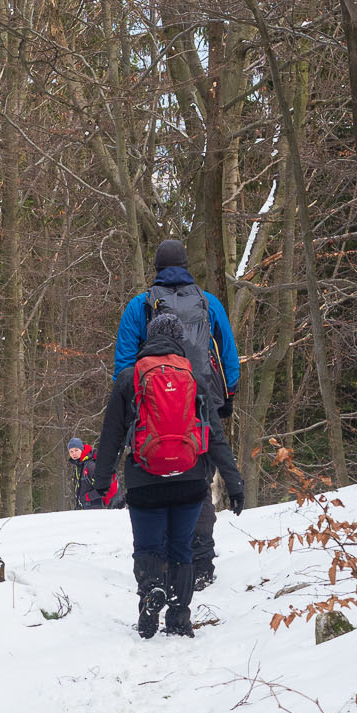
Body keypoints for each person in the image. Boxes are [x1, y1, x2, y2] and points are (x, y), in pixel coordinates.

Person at [93, 313, 244, 638]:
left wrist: (101, 481)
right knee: (181, 548)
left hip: (145, 481)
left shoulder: (130, 378)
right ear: (180, 340)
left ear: (149, 339)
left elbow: (111, 437)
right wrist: (234, 482)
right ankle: (179, 616)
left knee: (147, 547)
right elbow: (215, 437)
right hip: (190, 480)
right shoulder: (196, 378)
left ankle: (151, 591)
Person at [113, 237, 240, 588]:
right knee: (196, 482)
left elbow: (124, 363)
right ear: (186, 266)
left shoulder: (139, 306)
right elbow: (227, 352)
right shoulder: (208, 303)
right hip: (202, 404)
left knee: (155, 478)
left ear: (156, 268)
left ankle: (161, 564)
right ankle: (200, 561)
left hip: (149, 412)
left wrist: (128, 402)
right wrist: (227, 394)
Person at [67, 435, 119, 509]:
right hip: (85, 506)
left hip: (95, 505)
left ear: (81, 449)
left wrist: (87, 497)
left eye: (76, 450)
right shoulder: (78, 466)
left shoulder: (90, 466)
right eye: (71, 451)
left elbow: (103, 486)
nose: (74, 454)